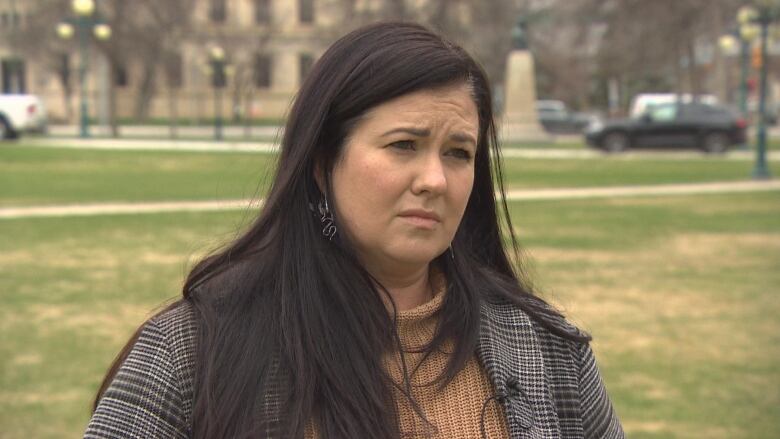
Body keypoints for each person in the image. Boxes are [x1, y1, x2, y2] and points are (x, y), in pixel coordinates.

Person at [84, 22, 624, 439]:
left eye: (458, 153)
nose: (434, 179)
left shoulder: (549, 351)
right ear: (322, 163)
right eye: (403, 146)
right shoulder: (194, 350)